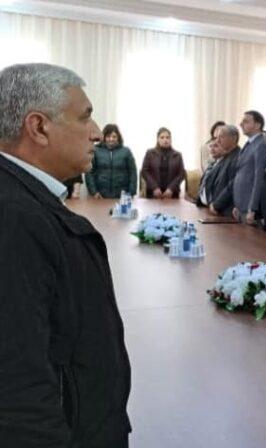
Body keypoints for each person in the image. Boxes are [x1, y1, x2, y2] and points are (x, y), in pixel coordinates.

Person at [0, 62, 131, 446]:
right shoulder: (14, 217)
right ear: (38, 127)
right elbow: (17, 385)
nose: (96, 132)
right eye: (85, 117)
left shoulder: (25, 201)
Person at [233, 110, 266, 224]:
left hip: (249, 209)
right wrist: (237, 205)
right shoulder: (250, 143)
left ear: (257, 125)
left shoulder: (262, 145)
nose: (241, 124)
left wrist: (253, 208)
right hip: (241, 206)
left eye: (245, 121)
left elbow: (259, 178)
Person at [85, 123, 137, 198]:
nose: (111, 139)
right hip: (100, 196)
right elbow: (89, 172)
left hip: (122, 196)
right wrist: (94, 192)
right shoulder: (96, 151)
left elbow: (132, 172)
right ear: (104, 137)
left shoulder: (126, 151)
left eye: (114, 136)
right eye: (108, 136)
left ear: (118, 137)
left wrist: (131, 193)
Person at [206, 124, 242, 215]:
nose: (217, 141)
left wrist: (217, 205)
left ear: (233, 138)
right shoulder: (225, 157)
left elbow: (232, 186)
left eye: (221, 137)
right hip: (217, 210)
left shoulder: (238, 157)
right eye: (217, 137)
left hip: (228, 212)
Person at [140, 127, 185, 199]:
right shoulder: (150, 153)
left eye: (167, 137)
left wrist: (171, 189)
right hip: (153, 193)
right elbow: (144, 171)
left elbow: (181, 174)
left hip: (172, 194)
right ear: (158, 139)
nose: (165, 140)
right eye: (162, 137)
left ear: (171, 139)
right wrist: (154, 187)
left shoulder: (177, 155)